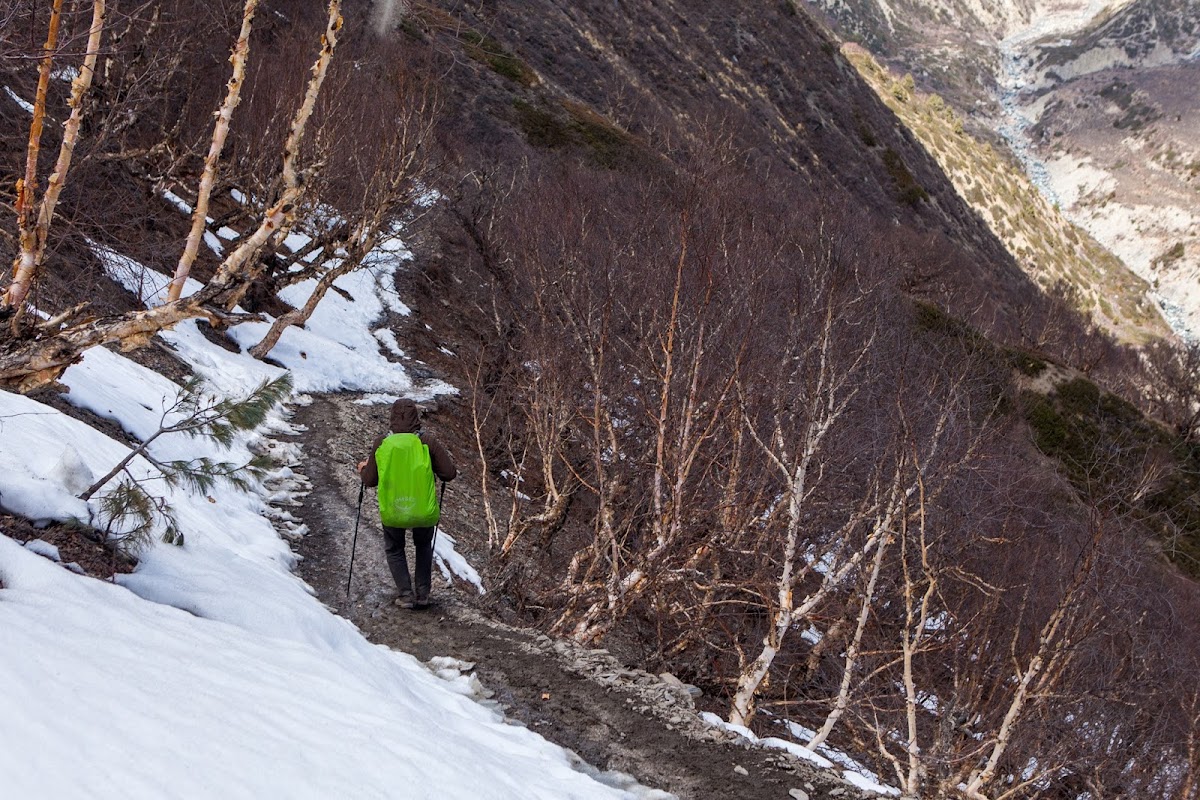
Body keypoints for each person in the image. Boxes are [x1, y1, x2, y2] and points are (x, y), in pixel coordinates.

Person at [357, 399, 456, 610]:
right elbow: (449, 473)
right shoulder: (427, 441)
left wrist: (363, 469)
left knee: (394, 548)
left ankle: (405, 594)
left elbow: (370, 480)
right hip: (423, 508)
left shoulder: (382, 443)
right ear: (416, 418)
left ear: (392, 417)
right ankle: (422, 595)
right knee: (422, 545)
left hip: (394, 508)